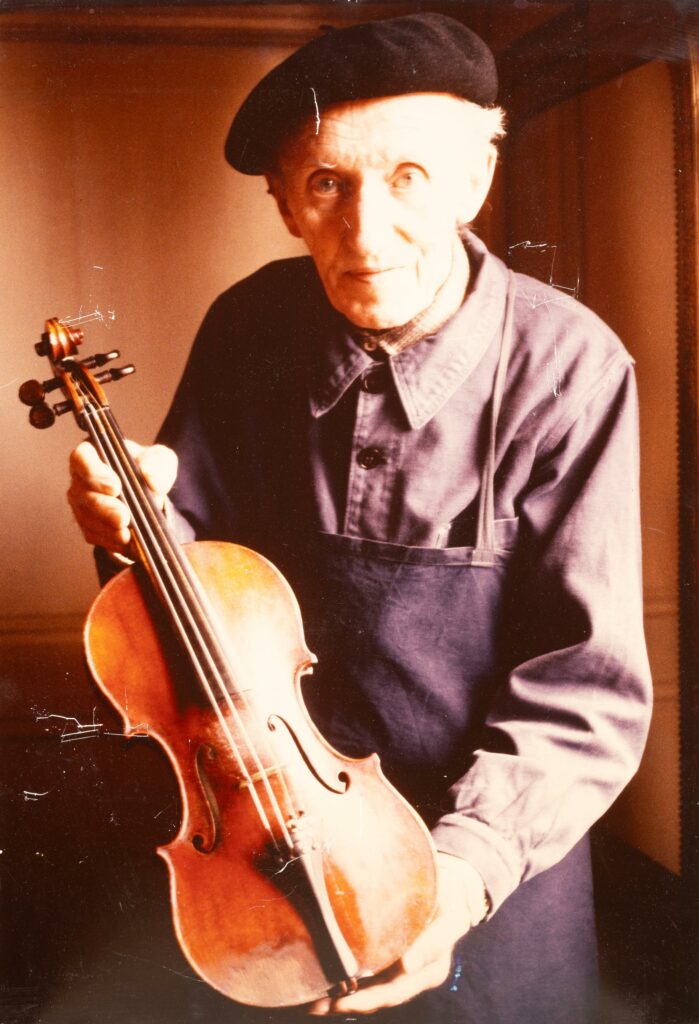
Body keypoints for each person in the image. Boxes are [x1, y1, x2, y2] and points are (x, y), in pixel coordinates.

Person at [67, 13, 652, 1024]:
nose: (367, 233)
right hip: (275, 845)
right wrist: (133, 529)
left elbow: (584, 688)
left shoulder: (573, 367)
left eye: (411, 178)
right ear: (286, 203)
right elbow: (181, 626)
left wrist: (461, 876)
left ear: (477, 176)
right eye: (327, 184)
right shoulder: (246, 325)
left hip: (498, 865)